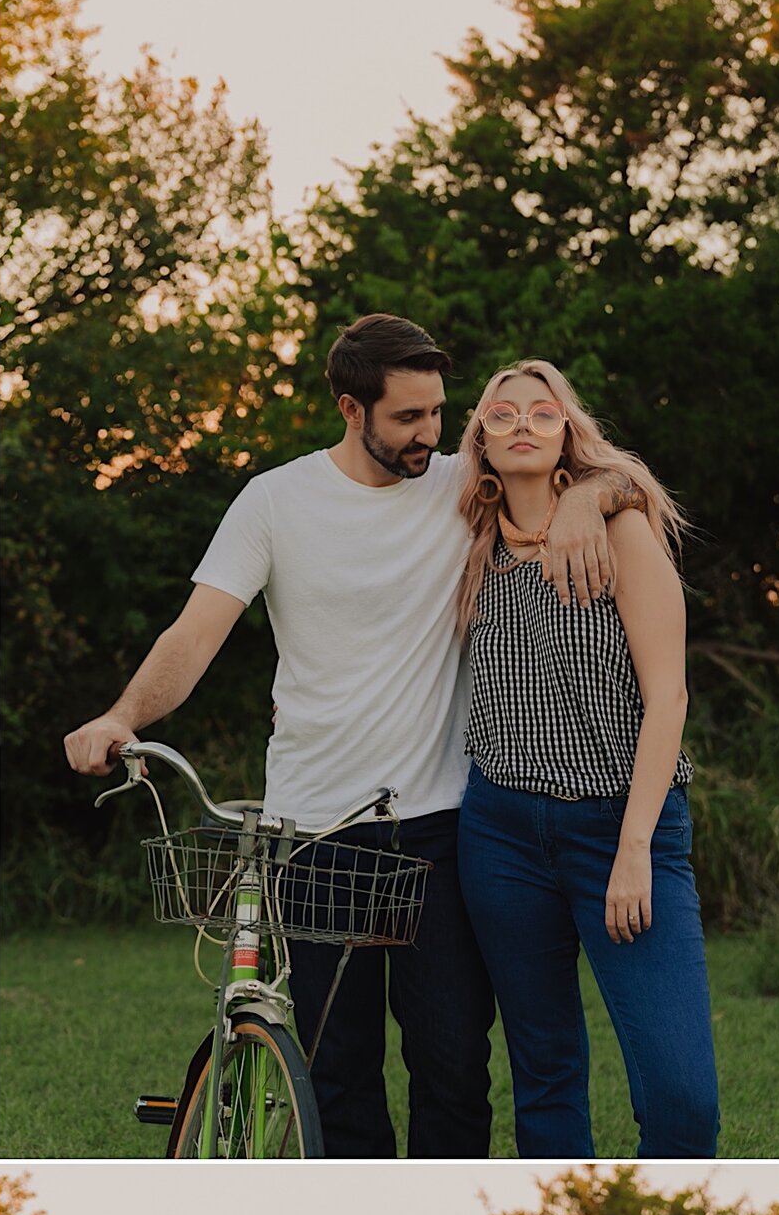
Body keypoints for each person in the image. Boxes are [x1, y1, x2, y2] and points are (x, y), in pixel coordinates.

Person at [63, 312, 643, 1158]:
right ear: (349, 407)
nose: (431, 435)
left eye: (439, 413)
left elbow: (599, 474)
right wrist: (122, 715)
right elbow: (193, 636)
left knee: (451, 1066)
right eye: (408, 418)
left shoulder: (462, 485)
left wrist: (592, 494)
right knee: (338, 1074)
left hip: (442, 831)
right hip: (315, 834)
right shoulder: (275, 500)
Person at [449, 360, 716, 1158]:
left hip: (623, 826)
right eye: (503, 414)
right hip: (498, 835)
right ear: (482, 441)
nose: (523, 424)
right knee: (546, 1074)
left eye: (543, 411)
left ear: (568, 430)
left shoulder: (619, 528)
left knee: (680, 1097)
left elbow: (668, 697)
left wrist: (634, 849)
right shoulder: (470, 545)